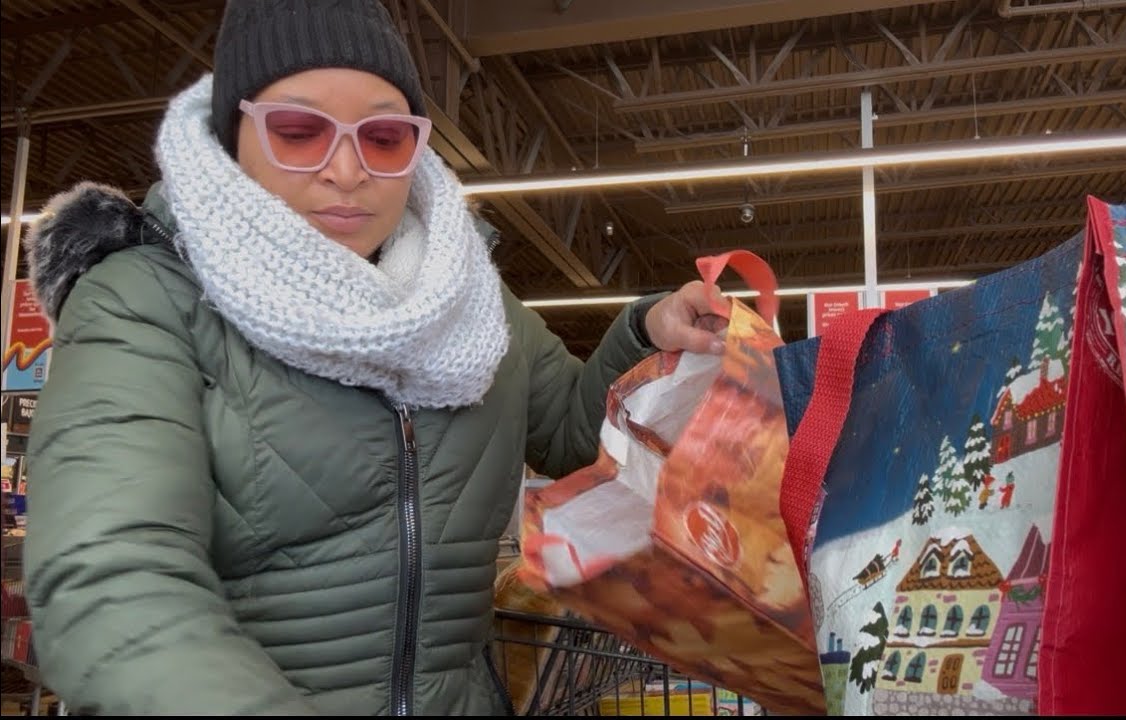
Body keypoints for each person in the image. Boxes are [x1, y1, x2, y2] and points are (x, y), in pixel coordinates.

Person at [19, 1, 729, 715]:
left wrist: (647, 335)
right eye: (299, 132)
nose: (348, 170)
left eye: (384, 137)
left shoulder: (468, 301)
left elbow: (574, 436)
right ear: (235, 134)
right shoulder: (146, 299)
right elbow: (113, 578)